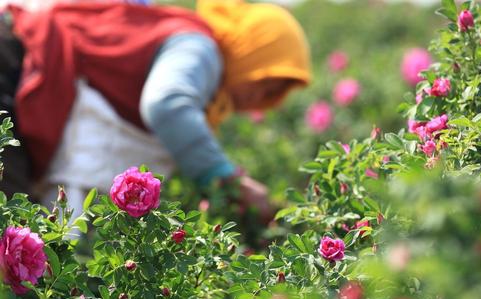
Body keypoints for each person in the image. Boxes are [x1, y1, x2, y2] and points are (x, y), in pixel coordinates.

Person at [0, 0, 311, 221]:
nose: (261, 97)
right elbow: (166, 104)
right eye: (266, 82)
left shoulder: (198, 59)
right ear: (251, 51)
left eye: (273, 94)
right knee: (9, 230)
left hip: (20, 63)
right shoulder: (201, 49)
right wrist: (229, 181)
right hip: (13, 60)